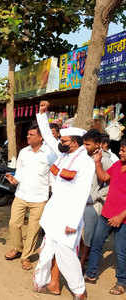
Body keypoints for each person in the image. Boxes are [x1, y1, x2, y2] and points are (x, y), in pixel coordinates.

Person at [33, 101, 95, 300]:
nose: (61, 142)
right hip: (53, 213)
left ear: (75, 142)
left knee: (65, 255)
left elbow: (81, 193)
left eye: (65, 140)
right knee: (46, 251)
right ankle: (41, 282)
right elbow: (50, 137)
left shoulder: (85, 163)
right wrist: (42, 115)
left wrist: (72, 222)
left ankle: (79, 291)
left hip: (69, 217)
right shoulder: (63, 155)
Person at [4, 124, 56, 270]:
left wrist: (53, 195)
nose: (28, 137)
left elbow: (53, 176)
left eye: (31, 134)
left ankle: (25, 257)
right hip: (21, 194)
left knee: (33, 230)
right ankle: (17, 247)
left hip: (39, 198)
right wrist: (14, 180)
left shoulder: (50, 154)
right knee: (14, 223)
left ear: (40, 137)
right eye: (28, 134)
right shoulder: (23, 152)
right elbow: (19, 172)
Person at [85, 138, 126, 296]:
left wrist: (120, 217)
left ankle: (121, 282)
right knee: (96, 243)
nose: (120, 152)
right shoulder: (117, 165)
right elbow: (103, 178)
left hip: (122, 218)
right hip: (106, 213)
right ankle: (91, 273)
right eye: (121, 149)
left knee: (120, 250)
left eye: (123, 150)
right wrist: (97, 163)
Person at [79, 130, 112, 269]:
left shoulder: (105, 160)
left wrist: (96, 196)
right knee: (78, 234)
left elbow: (111, 184)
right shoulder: (82, 157)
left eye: (88, 144)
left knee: (88, 235)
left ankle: (82, 263)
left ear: (98, 144)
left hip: (92, 205)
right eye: (84, 144)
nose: (85, 147)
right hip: (79, 202)